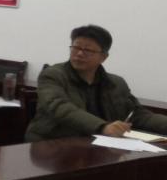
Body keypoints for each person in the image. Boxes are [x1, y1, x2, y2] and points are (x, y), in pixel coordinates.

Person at [26, 25, 167, 141]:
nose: (79, 54)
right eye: (76, 47)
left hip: (99, 145)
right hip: (52, 144)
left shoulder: (116, 83)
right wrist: (102, 127)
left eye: (87, 50)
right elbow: (60, 107)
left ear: (103, 57)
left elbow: (137, 115)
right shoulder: (53, 75)